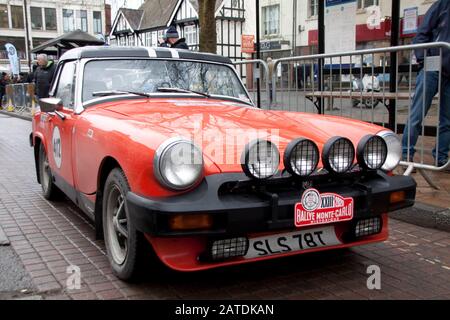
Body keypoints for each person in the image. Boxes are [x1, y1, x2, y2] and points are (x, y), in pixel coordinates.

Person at [401, 0, 450, 170]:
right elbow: (421, 34)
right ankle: (406, 155)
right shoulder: (442, 5)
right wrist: (423, 59)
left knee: (447, 120)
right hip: (432, 67)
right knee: (417, 114)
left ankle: (441, 158)